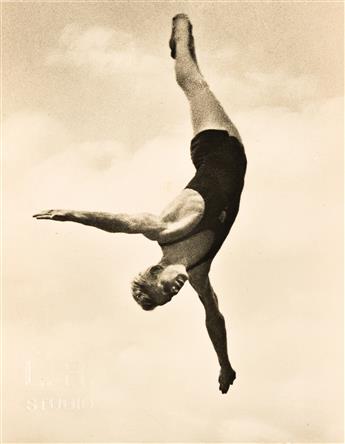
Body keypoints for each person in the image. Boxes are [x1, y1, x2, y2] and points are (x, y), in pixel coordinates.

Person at [33, 14, 247, 394]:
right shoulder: (198, 273)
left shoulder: (167, 230)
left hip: (214, 145)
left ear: (154, 272)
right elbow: (214, 318)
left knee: (193, 81)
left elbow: (125, 221)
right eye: (171, 296)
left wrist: (73, 214)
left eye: (165, 288)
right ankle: (183, 47)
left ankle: (179, 36)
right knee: (197, 81)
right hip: (239, 156)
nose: (175, 289)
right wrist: (225, 366)